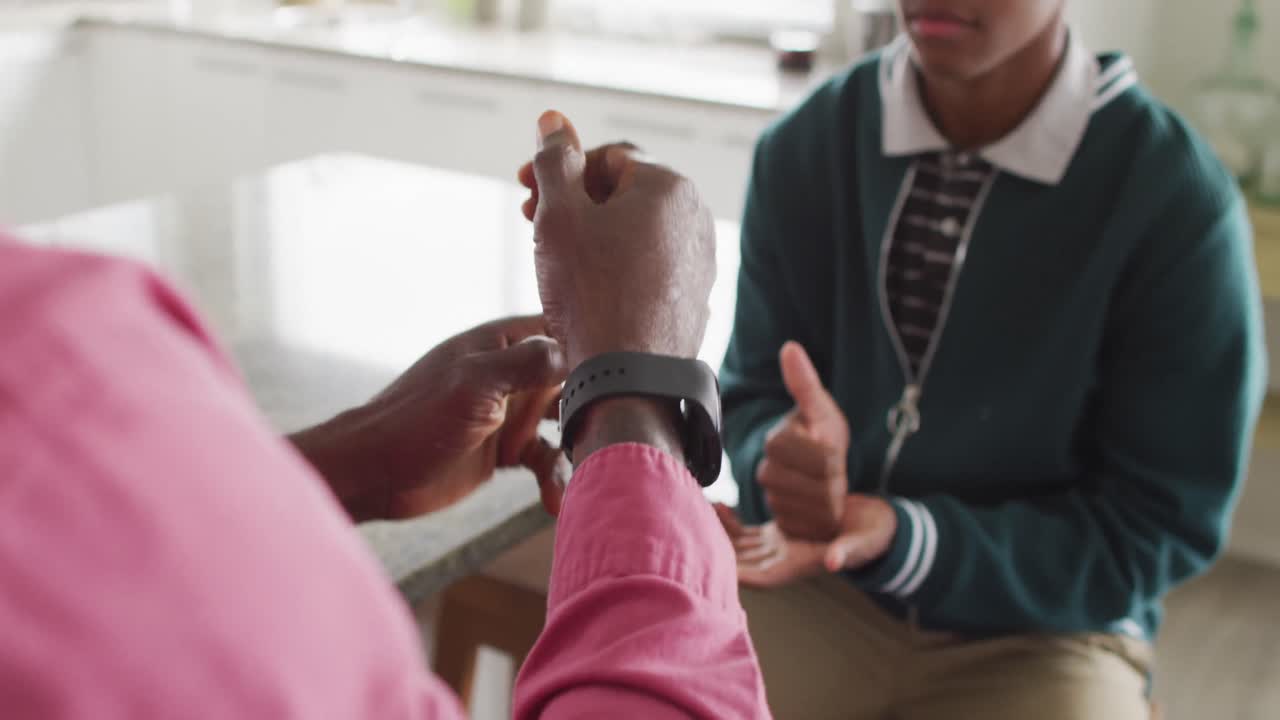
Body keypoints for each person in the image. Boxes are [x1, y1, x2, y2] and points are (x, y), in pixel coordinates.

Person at [0, 111, 770, 719]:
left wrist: (336, 467)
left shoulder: (57, 361)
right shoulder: (59, 349)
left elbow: (73, 548)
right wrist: (629, 386)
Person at [717, 0, 1268, 718]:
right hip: (811, 581)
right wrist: (781, 463)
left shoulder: (1176, 203)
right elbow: (752, 393)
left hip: (1048, 635)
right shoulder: (805, 148)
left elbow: (1154, 526)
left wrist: (907, 537)